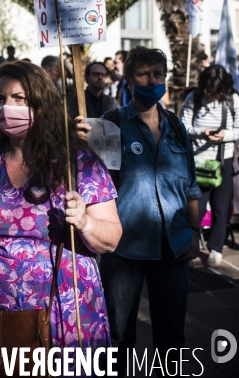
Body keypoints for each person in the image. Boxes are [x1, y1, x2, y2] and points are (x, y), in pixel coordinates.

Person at [0, 61, 122, 375]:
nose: (8, 107)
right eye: (1, 99)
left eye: (20, 99)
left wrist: (85, 222)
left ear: (42, 103)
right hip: (0, 319)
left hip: (67, 320)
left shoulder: (78, 163)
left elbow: (111, 239)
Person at [77, 47, 201, 377]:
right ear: (129, 80)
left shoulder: (176, 126)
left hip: (173, 249)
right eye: (143, 74)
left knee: (172, 338)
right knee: (119, 338)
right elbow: (94, 183)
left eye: (158, 74)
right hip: (125, 251)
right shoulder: (110, 126)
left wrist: (195, 232)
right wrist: (81, 145)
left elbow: (190, 186)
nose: (152, 80)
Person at [180, 64, 239, 267]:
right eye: (210, 91)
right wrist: (202, 132)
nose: (213, 94)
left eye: (217, 91)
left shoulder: (233, 100)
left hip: (224, 161)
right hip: (197, 162)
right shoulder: (193, 98)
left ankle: (216, 249)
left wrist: (225, 136)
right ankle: (190, 247)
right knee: (195, 208)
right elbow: (183, 126)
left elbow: (238, 130)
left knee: (221, 208)